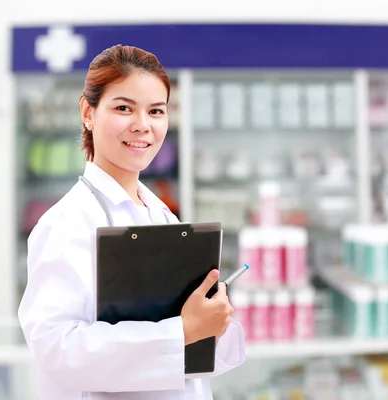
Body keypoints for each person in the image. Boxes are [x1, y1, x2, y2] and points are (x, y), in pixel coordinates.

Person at [17, 45, 245, 400]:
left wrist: (214, 319)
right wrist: (182, 331)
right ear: (87, 113)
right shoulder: (66, 223)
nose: (142, 125)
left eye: (156, 111)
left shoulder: (160, 214)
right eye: (124, 108)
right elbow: (56, 348)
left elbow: (189, 351)